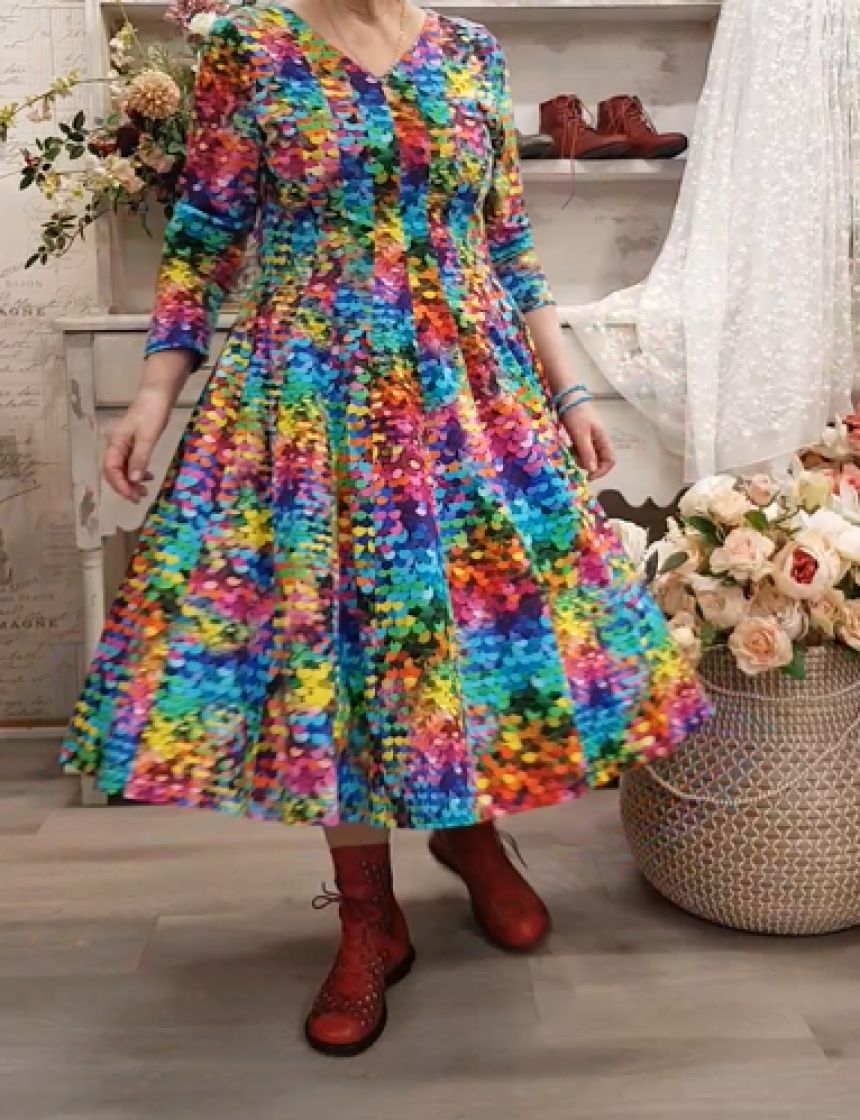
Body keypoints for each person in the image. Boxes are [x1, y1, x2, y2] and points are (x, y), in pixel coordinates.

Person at [61, 0, 711, 1057]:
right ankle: (369, 914)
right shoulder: (249, 48)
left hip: (466, 397)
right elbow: (205, 237)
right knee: (339, 653)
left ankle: (466, 831)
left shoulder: (468, 53)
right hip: (309, 397)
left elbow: (507, 243)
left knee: (473, 635)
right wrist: (150, 396)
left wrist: (571, 394)